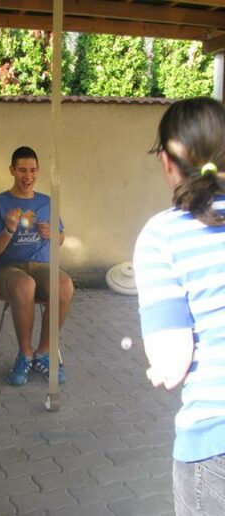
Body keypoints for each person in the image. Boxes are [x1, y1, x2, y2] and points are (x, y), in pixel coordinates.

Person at [133, 97, 225, 515]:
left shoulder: (163, 235)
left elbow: (172, 362)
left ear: (168, 162)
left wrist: (162, 369)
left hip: (215, 438)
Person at [0, 146, 73, 386]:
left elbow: (61, 237)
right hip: (8, 270)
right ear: (12, 170)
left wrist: (54, 234)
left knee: (64, 284)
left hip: (41, 266)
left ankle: (43, 354)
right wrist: (9, 230)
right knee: (25, 285)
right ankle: (25, 355)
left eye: (32, 170)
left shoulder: (47, 202)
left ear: (38, 171)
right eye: (22, 170)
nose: (27, 176)